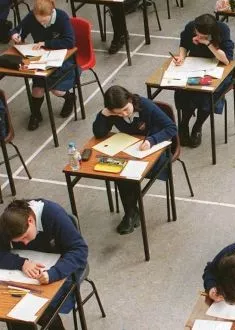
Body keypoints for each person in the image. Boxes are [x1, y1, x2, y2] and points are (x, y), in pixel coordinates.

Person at [93, 85, 177, 235]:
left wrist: (152, 140)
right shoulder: (113, 113)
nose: (123, 114)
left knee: (126, 174)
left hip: (154, 151)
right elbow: (99, 133)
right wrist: (104, 114)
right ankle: (131, 212)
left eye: (126, 109)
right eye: (118, 113)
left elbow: (171, 128)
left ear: (130, 99)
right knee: (119, 171)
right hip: (129, 150)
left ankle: (130, 214)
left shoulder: (146, 106)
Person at [0, 199, 88, 330]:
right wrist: (21, 263)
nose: (24, 243)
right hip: (26, 273)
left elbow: (80, 250)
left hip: (63, 268)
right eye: (18, 241)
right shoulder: (7, 224)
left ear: (30, 220)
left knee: (34, 307)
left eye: (25, 236)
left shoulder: (53, 215)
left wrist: (53, 273)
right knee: (12, 305)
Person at [9, 0, 77, 130]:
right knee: (37, 90)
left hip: (62, 59)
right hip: (40, 59)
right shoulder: (31, 17)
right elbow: (19, 30)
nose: (42, 24)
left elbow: (69, 42)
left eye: (44, 21)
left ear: (52, 12)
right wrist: (16, 35)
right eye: (39, 21)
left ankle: (70, 97)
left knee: (55, 90)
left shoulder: (62, 17)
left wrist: (46, 43)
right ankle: (35, 114)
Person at [173, 13, 234, 148]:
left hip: (217, 70)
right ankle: (183, 124)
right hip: (195, 66)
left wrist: (207, 43)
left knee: (206, 95)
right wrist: (181, 57)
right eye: (197, 34)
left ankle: (197, 126)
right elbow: (184, 44)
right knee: (184, 90)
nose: (198, 37)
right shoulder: (191, 27)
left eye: (203, 36)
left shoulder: (222, 30)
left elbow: (226, 59)